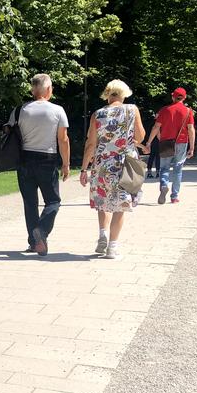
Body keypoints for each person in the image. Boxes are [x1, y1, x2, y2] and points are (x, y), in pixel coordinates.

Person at [79, 80, 145, 260]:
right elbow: (140, 136)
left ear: (107, 94)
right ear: (124, 94)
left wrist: (84, 169)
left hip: (102, 164)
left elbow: (91, 144)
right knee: (120, 205)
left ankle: (102, 235)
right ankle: (112, 248)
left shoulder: (97, 114)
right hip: (125, 163)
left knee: (103, 199)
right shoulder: (132, 109)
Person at [6, 74, 70, 256]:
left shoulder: (19, 110)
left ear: (32, 89)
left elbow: (9, 133)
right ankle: (41, 231)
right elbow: (63, 140)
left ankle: (34, 243)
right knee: (53, 201)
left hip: (24, 159)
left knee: (30, 203)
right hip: (47, 160)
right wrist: (66, 164)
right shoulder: (57, 110)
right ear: (48, 89)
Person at [144, 87, 195, 204]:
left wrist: (149, 142)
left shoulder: (165, 110)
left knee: (164, 168)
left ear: (173, 97)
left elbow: (156, 127)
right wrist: (192, 147)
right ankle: (174, 197)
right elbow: (191, 130)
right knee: (178, 170)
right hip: (182, 142)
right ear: (184, 97)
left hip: (166, 142)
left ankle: (163, 186)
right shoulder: (188, 111)